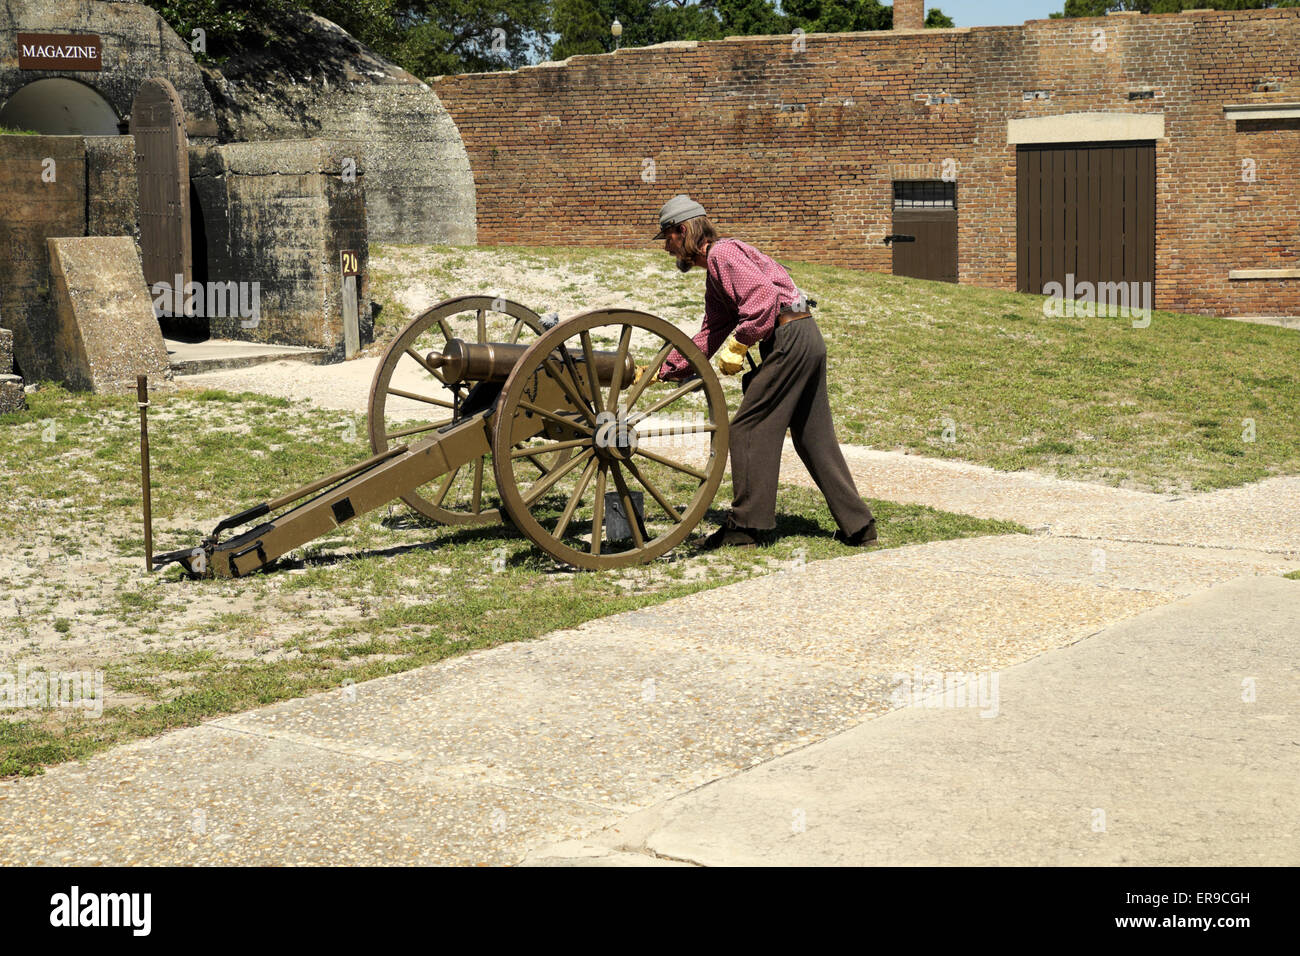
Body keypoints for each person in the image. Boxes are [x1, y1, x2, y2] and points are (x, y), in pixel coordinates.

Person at [644, 194, 878, 550]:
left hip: (789, 338)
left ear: (682, 230)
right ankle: (859, 527)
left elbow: (763, 300)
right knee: (814, 437)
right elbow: (711, 330)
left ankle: (745, 528)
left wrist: (740, 345)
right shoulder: (716, 272)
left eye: (667, 237)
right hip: (803, 337)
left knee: (747, 428)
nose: (667, 247)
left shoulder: (723, 254)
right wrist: (668, 368)